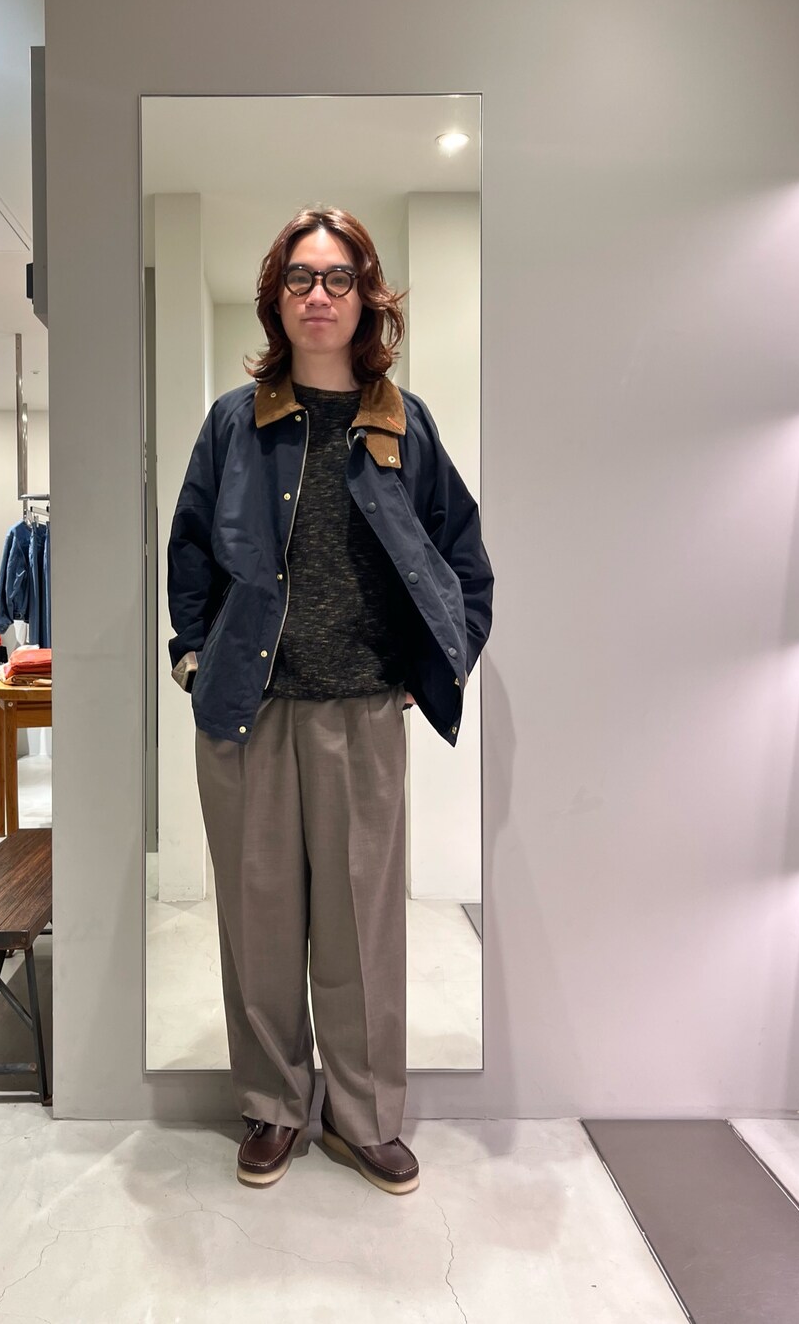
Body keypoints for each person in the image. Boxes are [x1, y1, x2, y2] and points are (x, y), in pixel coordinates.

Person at [167, 206, 493, 1194]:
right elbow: (189, 549)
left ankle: (363, 1118)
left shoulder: (403, 422)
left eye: (338, 277)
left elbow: (464, 558)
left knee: (361, 928)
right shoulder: (233, 421)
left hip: (362, 713)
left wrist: (435, 661)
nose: (319, 294)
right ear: (276, 298)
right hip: (248, 711)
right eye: (301, 278)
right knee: (259, 924)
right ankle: (272, 1106)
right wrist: (192, 654)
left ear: (367, 297)